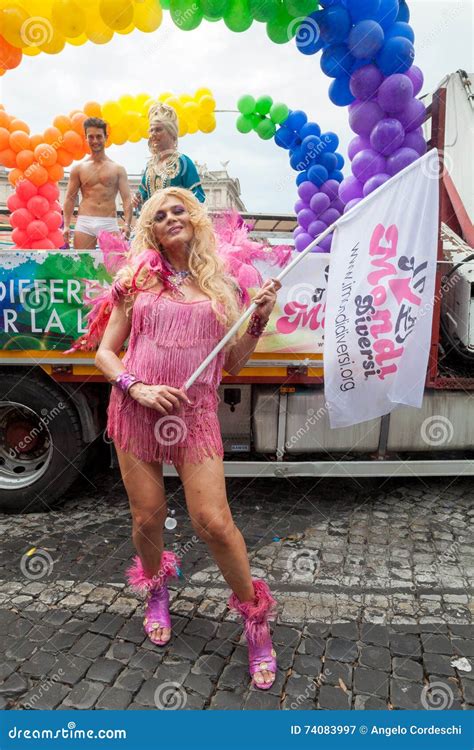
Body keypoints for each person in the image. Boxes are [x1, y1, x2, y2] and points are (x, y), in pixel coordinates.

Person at [94, 187, 282, 690]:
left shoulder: (222, 285)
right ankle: (156, 590)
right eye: (160, 215)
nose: (171, 217)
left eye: (180, 210)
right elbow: (105, 354)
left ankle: (256, 620)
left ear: (195, 220)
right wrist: (139, 387)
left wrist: (258, 318)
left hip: (195, 414)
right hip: (136, 410)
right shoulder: (137, 280)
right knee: (147, 514)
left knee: (213, 521)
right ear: (150, 229)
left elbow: (234, 362)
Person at [63, 117, 133, 249]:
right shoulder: (79, 168)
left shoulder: (118, 169)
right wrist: (66, 225)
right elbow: (69, 198)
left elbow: (127, 199)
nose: (95, 141)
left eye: (99, 136)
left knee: (112, 266)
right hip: (85, 222)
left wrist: (127, 224)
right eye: (91, 137)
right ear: (86, 138)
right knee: (84, 265)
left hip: (109, 222)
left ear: (106, 137)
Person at [133, 103, 205, 211]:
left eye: (158, 130)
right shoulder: (151, 165)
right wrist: (137, 199)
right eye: (151, 130)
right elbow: (143, 196)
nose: (153, 134)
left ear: (171, 133)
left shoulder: (183, 162)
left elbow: (198, 198)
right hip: (154, 224)